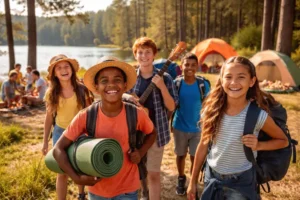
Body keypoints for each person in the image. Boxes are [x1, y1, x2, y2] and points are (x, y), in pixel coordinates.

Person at [53, 56, 157, 200]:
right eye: (104, 81)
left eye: (117, 79)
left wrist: (141, 151)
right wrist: (76, 177)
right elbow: (58, 149)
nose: (111, 85)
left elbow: (152, 133)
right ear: (96, 87)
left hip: (128, 189)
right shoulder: (86, 115)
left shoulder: (135, 113)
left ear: (125, 84)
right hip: (97, 190)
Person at [187, 56, 289, 200]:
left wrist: (259, 145)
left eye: (241, 77)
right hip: (212, 178)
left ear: (252, 81)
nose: (234, 82)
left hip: (242, 182)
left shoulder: (258, 116)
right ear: (221, 80)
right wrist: (192, 181)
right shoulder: (211, 111)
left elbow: (283, 141)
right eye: (228, 77)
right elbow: (203, 145)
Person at [124, 37, 178, 200]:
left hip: (156, 131)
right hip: (133, 131)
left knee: (153, 173)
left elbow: (171, 107)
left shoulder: (166, 77)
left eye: (148, 52)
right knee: (136, 169)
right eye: (140, 52)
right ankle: (143, 193)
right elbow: (120, 95)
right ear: (135, 55)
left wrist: (161, 87)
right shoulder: (131, 77)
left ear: (154, 55)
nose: (144, 56)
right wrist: (128, 96)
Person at [42, 54, 92, 200]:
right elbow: (49, 117)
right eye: (59, 68)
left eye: (66, 66)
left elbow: (89, 113)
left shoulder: (82, 89)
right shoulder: (51, 93)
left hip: (80, 132)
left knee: (80, 164)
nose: (63, 70)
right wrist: (45, 140)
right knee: (61, 171)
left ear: (72, 69)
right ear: (54, 74)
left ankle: (81, 194)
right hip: (60, 133)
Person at [172, 53, 210, 196]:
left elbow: (208, 104)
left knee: (195, 157)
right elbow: (172, 104)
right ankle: (181, 178)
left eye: (193, 65)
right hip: (180, 126)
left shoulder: (203, 84)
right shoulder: (177, 83)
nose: (189, 68)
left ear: (197, 66)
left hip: (198, 128)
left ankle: (193, 181)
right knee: (180, 155)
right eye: (186, 64)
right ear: (181, 66)